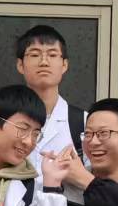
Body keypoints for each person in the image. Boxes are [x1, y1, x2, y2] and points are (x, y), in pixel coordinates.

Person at [15, 24, 83, 167]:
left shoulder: (83, 123)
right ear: (20, 65)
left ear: (64, 65)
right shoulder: (2, 122)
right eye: (35, 55)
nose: (44, 62)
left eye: (52, 55)